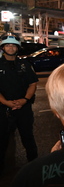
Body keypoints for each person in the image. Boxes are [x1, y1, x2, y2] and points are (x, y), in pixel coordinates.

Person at [0, 34, 38, 170]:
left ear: (18, 48)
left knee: (28, 137)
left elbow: (32, 84)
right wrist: (6, 102)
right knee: (2, 140)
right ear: (3, 47)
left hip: (24, 108)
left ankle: (34, 166)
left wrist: (25, 100)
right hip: (3, 109)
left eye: (13, 45)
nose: (10, 48)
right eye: (8, 45)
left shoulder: (24, 64)